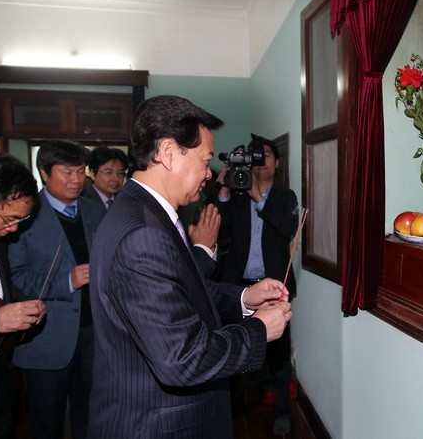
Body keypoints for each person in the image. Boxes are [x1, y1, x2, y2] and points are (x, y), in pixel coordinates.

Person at [87, 95, 292, 438]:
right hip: (159, 425)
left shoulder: (144, 213)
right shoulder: (143, 231)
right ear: (168, 153)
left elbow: (176, 289)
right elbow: (182, 360)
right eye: (205, 160)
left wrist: (243, 298)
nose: (209, 173)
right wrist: (258, 330)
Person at [8, 140, 106, 439]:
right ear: (43, 173)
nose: (76, 180)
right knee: (46, 422)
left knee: (90, 415)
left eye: (80, 171)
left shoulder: (93, 210)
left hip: (94, 335)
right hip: (46, 338)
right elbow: (15, 278)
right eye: (66, 172)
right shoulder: (24, 215)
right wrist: (67, 281)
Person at [216, 135, 299, 436]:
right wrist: (225, 193)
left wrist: (257, 196)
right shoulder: (235, 197)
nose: (260, 161)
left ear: (277, 162)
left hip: (275, 291)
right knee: (234, 349)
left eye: (265, 155)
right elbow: (219, 234)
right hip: (237, 290)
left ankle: (281, 410)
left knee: (277, 355)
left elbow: (288, 227)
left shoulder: (285, 197)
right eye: (254, 156)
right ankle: (234, 410)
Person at [0, 154, 45, 438]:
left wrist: (23, 306)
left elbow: (0, 289)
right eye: (10, 219)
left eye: (22, 220)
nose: (14, 229)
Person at [82, 146, 128, 210]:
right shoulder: (81, 201)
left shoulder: (127, 201)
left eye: (120, 173)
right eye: (109, 172)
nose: (116, 179)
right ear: (92, 174)